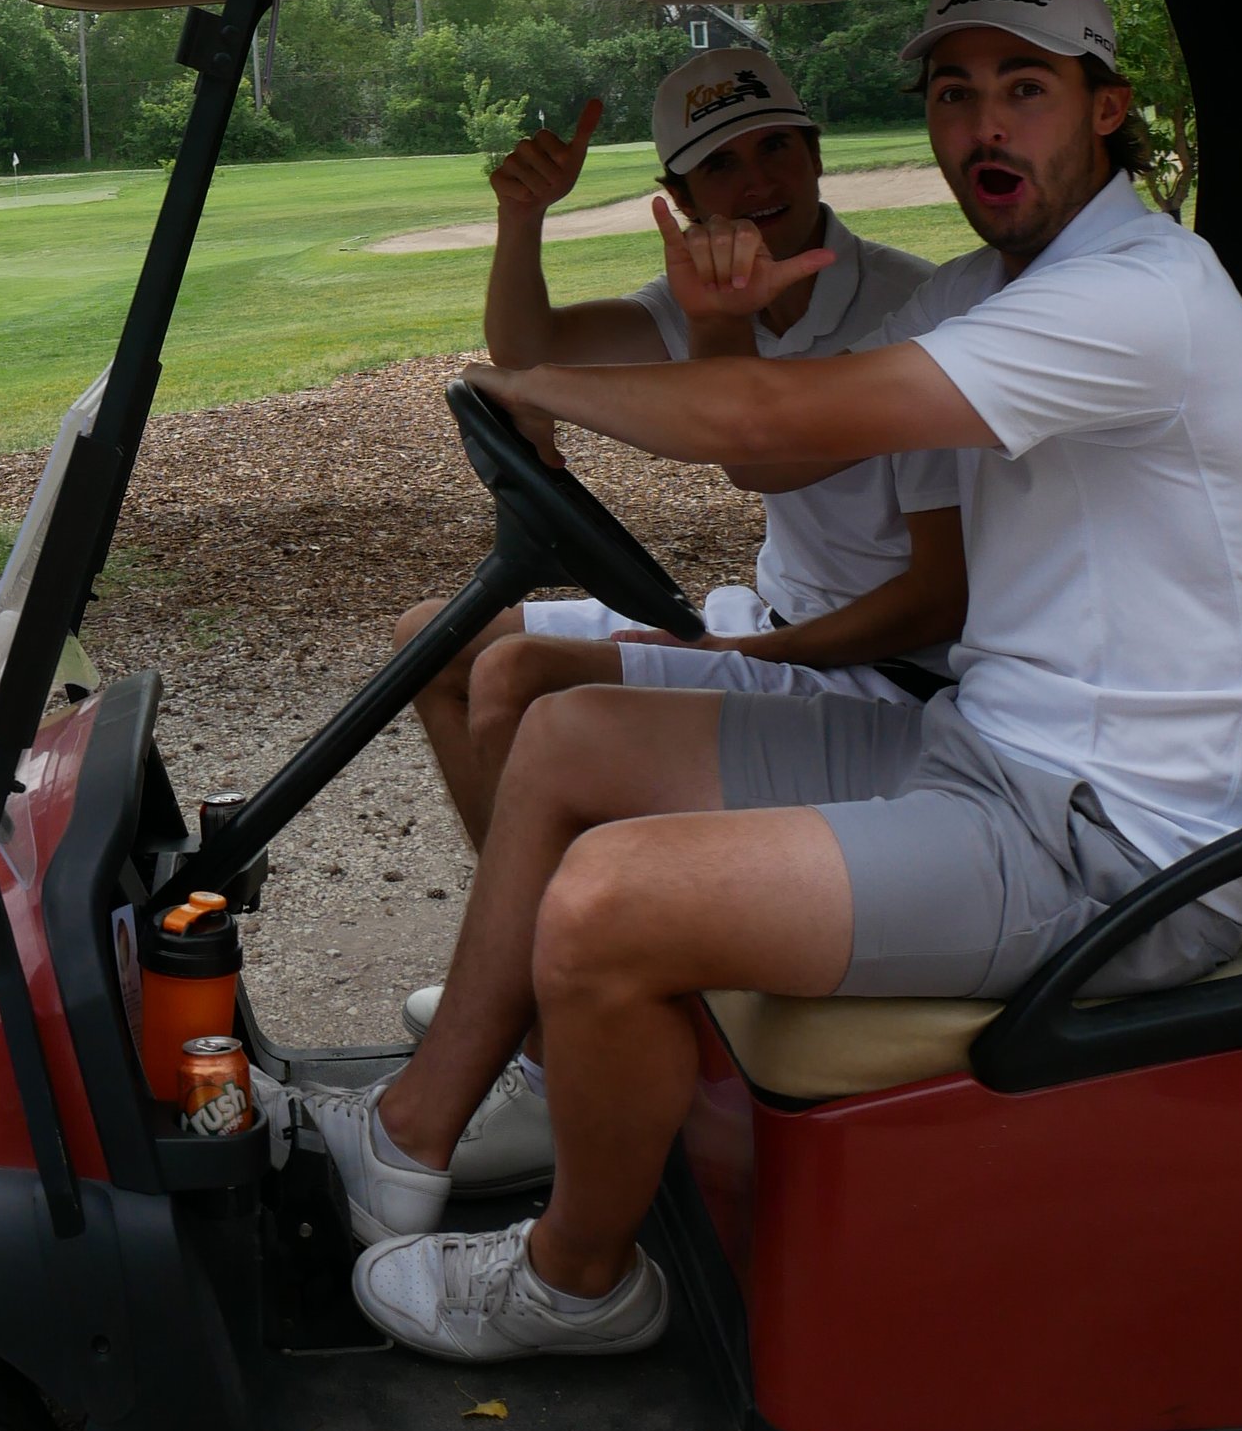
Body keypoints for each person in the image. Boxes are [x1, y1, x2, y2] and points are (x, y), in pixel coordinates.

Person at [298, 0, 1242, 1368]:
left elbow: (778, 406)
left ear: (1108, 108)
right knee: (566, 741)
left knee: (606, 904)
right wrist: (697, 330)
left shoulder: (1136, 299)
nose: (984, 129)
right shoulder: (984, 290)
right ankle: (416, 1133)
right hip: (987, 755)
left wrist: (525, 386)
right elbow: (773, 447)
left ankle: (578, 1280)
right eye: (954, 96)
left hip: (1120, 849)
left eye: (1025, 89)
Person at [400, 54, 957, 859]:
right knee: (434, 636)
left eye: (776, 147)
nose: (759, 180)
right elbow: (528, 346)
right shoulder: (701, 300)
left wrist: (737, 652)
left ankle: (539, 951)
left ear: (816, 154)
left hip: (883, 668)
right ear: (683, 198)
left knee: (515, 676)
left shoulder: (911, 309)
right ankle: (525, 930)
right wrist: (522, 217)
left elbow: (938, 599)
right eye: (721, 163)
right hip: (781, 617)